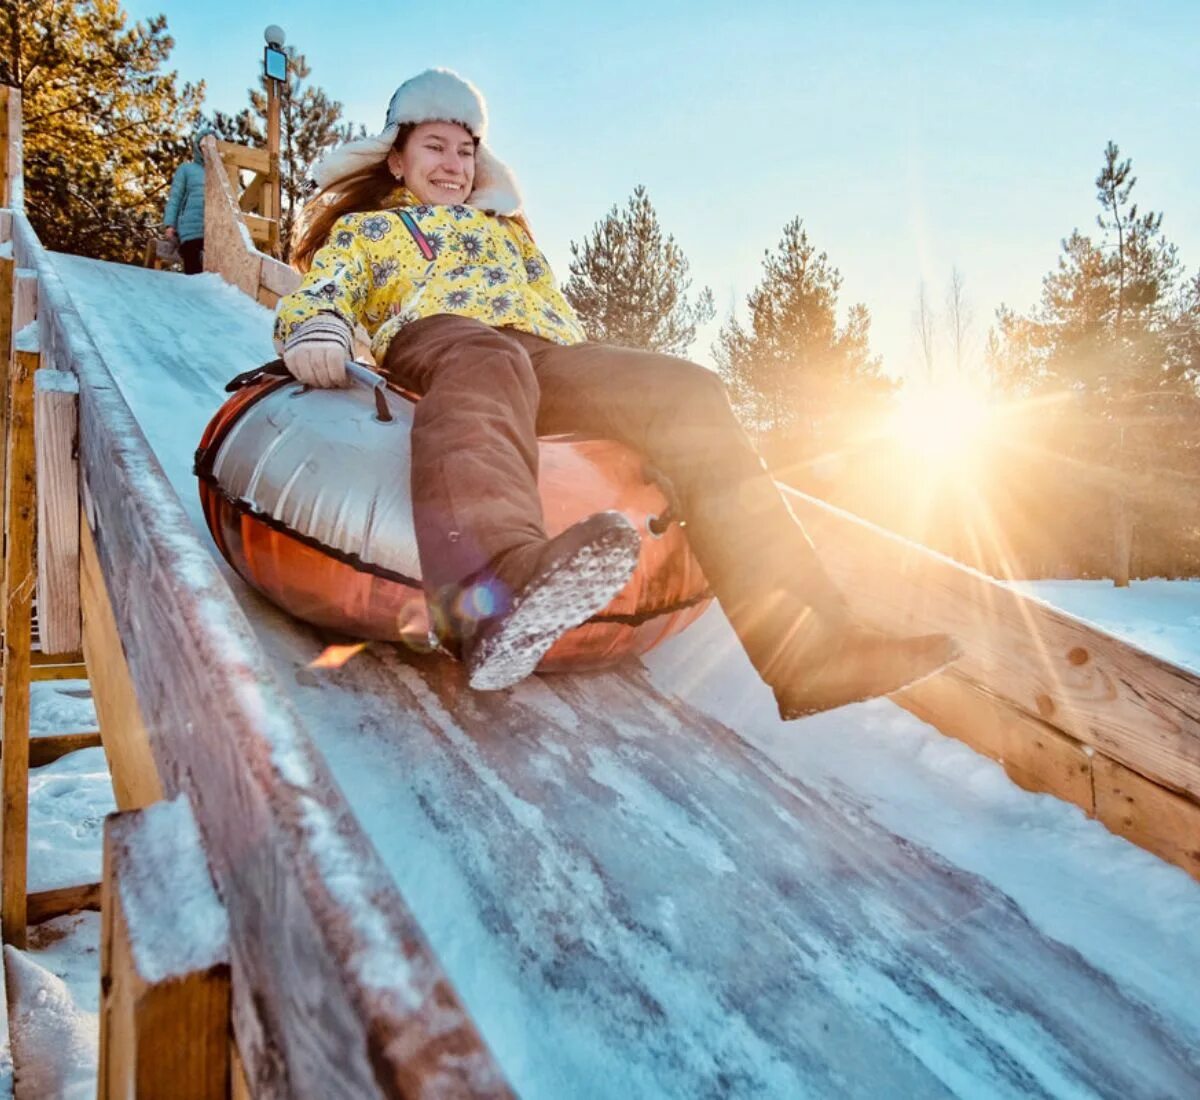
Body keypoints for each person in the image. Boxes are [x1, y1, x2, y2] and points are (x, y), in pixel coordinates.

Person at [274, 68, 961, 713]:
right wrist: (316, 329)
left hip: (544, 356)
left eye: (465, 150)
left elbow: (557, 317)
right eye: (435, 147)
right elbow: (327, 288)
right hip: (445, 340)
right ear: (397, 158)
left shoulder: (506, 236)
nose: (453, 165)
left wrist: (620, 402)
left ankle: (815, 649)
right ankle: (493, 596)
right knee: (492, 361)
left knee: (686, 389)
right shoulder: (373, 230)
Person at [162, 127, 210, 274]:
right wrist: (170, 225)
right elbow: (176, 197)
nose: (206, 149)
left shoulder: (219, 173)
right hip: (191, 230)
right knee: (194, 272)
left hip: (213, 231)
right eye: (203, 145)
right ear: (198, 147)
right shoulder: (187, 169)